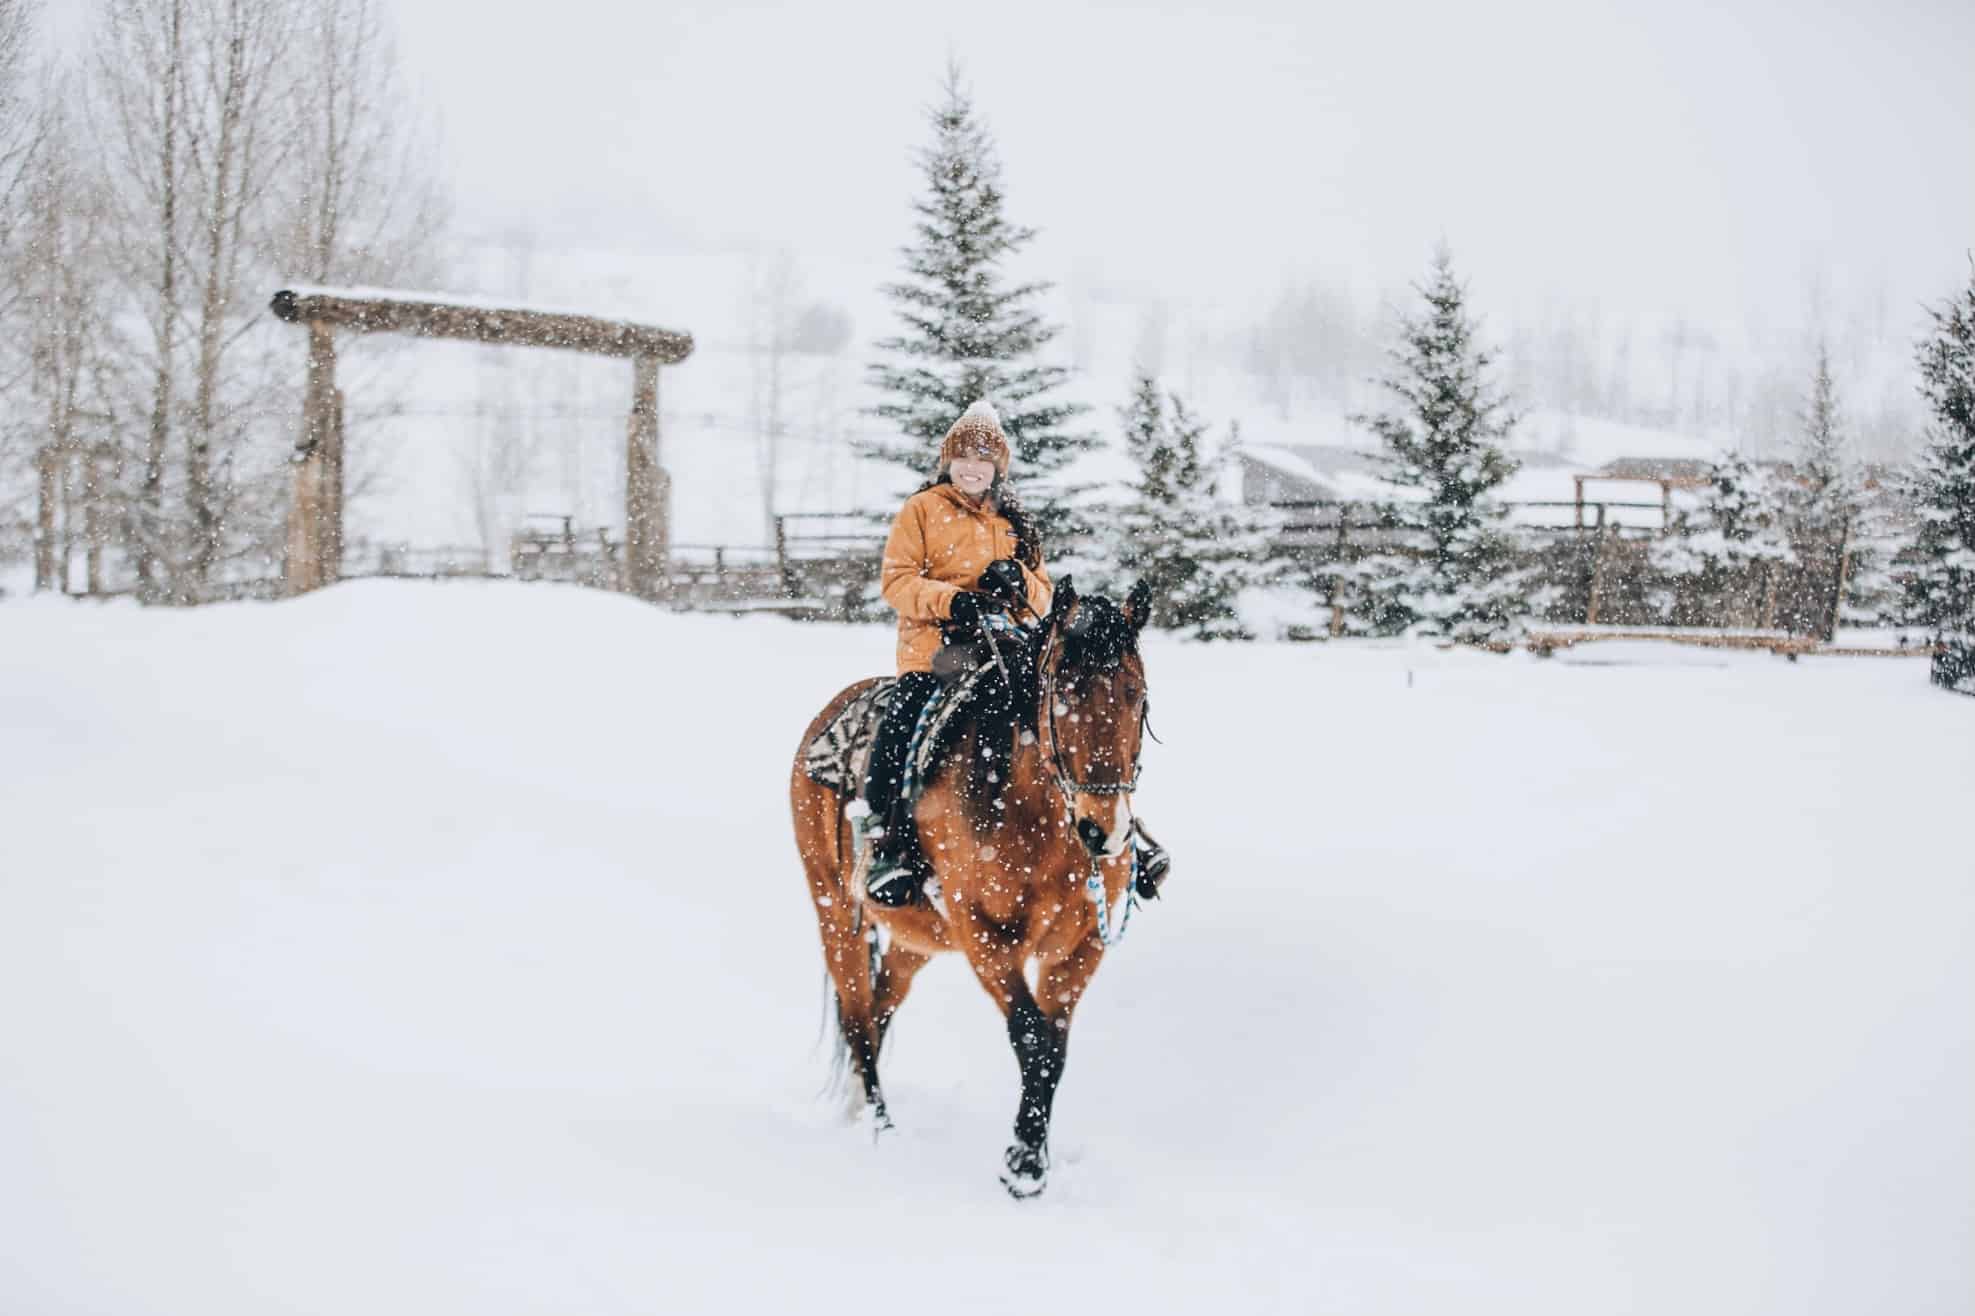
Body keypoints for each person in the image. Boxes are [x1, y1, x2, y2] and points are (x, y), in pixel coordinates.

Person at [862, 400, 1170, 907]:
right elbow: (895, 583)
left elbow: (1045, 596)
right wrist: (952, 598)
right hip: (940, 645)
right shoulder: (921, 510)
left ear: (998, 467)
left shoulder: (1014, 521)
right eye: (963, 456)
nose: (972, 467)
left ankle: (1126, 832)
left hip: (1010, 639)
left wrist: (1018, 578)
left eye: (984, 459)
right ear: (948, 461)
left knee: (1071, 714)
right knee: (907, 715)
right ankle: (890, 844)